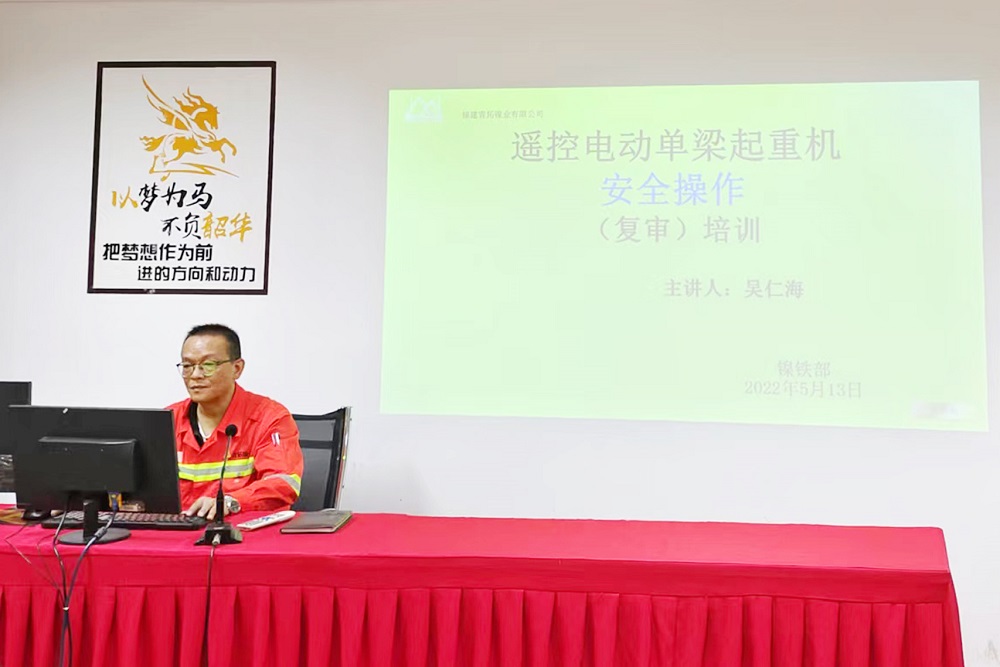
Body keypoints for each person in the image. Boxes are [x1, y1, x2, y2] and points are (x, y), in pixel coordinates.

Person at [168, 324, 303, 519]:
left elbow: (283, 483)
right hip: (178, 530)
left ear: (237, 368)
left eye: (208, 365)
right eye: (187, 366)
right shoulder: (169, 420)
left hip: (242, 531)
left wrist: (230, 502)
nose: (195, 375)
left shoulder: (270, 418)